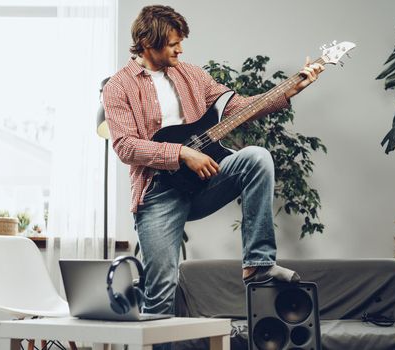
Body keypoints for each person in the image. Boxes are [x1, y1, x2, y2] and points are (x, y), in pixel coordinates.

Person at [103, 5, 324, 318]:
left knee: (256, 157)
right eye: (172, 43)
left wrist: (292, 88)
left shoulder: (192, 75)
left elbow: (239, 107)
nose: (180, 48)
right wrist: (181, 153)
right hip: (158, 194)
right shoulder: (118, 86)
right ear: (146, 42)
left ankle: (257, 264)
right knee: (160, 291)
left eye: (181, 41)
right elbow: (125, 146)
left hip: (204, 183)